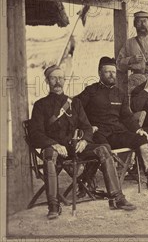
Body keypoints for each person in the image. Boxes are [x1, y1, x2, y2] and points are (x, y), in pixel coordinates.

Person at [29, 65, 136, 219]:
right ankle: (53, 205)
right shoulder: (40, 105)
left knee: (103, 150)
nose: (57, 82)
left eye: (60, 78)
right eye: (53, 78)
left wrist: (85, 141)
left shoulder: (75, 104)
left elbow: (86, 127)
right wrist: (54, 144)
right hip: (54, 148)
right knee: (49, 155)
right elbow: (35, 133)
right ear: (47, 81)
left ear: (64, 80)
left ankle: (116, 198)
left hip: (74, 147)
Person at [76, 57, 148, 191]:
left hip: (116, 133)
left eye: (113, 72)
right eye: (107, 72)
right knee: (103, 148)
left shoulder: (120, 94)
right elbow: (75, 108)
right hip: (98, 133)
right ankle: (86, 180)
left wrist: (138, 130)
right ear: (99, 73)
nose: (111, 75)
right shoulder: (90, 91)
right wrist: (86, 126)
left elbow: (127, 116)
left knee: (141, 139)